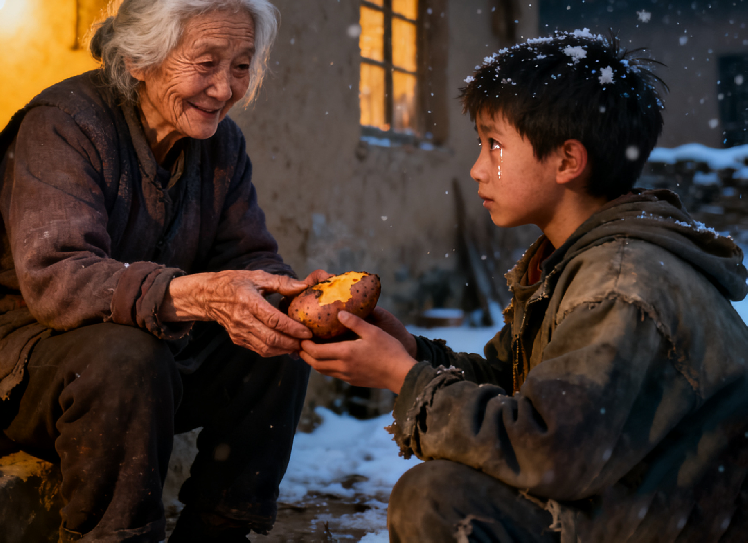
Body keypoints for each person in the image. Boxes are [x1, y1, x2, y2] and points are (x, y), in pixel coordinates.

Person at [0, 0, 325, 543]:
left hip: (149, 353)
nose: (225, 88)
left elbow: (247, 254)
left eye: (241, 66)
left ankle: (219, 533)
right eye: (207, 63)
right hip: (15, 355)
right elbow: (58, 279)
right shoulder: (62, 124)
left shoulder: (219, 145)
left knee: (274, 345)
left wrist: (287, 297)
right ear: (141, 58)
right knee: (126, 357)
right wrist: (191, 293)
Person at [300, 31, 748, 542]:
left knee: (437, 501)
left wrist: (408, 381)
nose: (475, 168)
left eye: (494, 145)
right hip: (633, 503)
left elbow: (549, 450)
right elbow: (515, 386)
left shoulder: (620, 283)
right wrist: (410, 352)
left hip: (680, 523)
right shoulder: (572, 261)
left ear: (566, 161)